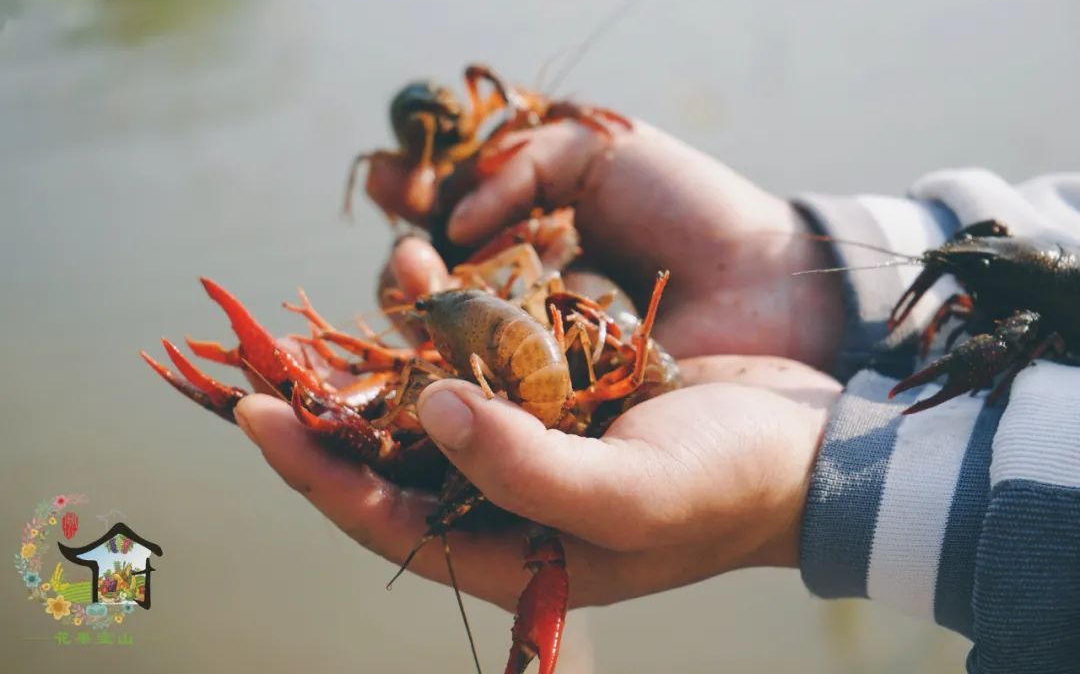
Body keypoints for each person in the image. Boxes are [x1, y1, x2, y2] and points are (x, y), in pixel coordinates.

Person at [233, 120, 1080, 672]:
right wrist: (811, 280)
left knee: (415, 417)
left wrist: (855, 478)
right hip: (568, 340)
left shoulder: (546, 327)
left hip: (579, 349)